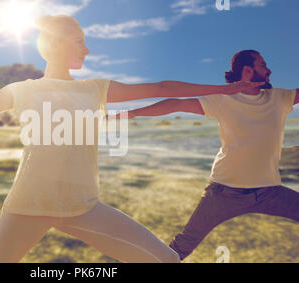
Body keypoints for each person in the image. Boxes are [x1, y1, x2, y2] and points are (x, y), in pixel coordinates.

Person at [0, 16, 262, 263]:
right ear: (55, 43)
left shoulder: (95, 88)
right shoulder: (22, 90)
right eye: (79, 40)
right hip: (24, 207)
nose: (86, 48)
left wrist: (221, 90)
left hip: (83, 207)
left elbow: (158, 86)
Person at [112, 50, 299, 261]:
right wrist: (134, 112)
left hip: (268, 190)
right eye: (263, 65)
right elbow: (177, 103)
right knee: (179, 249)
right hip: (225, 192)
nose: (269, 70)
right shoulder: (223, 100)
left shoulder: (280, 98)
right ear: (248, 70)